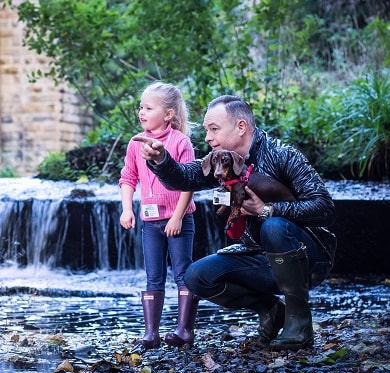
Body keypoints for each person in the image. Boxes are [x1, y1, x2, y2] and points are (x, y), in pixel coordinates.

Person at [134, 95, 335, 351]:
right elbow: (183, 178)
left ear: (241, 127)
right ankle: (272, 310)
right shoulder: (221, 160)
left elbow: (325, 208)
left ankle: (299, 323)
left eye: (214, 129)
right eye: (207, 130)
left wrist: (267, 210)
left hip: (309, 258)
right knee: (196, 276)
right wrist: (161, 160)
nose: (207, 137)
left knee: (273, 225)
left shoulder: (283, 156)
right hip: (258, 257)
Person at [119, 82, 198, 349]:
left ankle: (184, 330)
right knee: (153, 276)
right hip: (150, 222)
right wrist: (127, 208)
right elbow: (128, 177)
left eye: (148, 108)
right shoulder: (135, 143)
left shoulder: (180, 142)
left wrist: (177, 217)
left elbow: (189, 181)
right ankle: (151, 333)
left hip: (179, 220)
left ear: (168, 114)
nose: (141, 112)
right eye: (141, 107)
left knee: (182, 273)